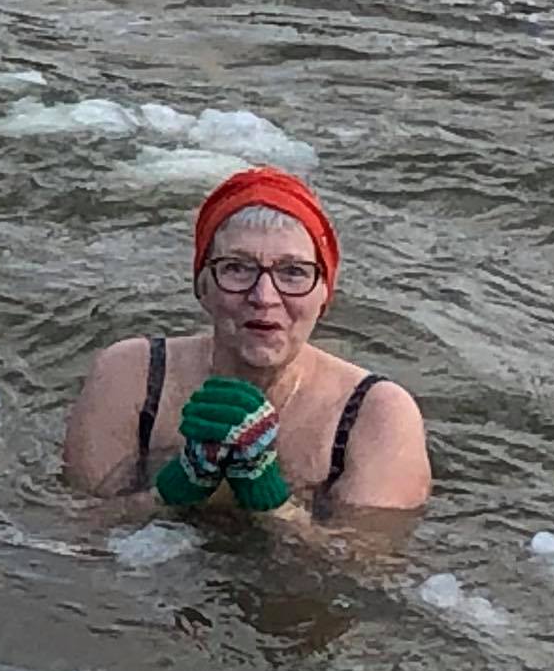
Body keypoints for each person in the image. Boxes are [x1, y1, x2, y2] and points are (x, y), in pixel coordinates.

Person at [61, 168, 431, 520]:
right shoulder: (133, 375)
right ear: (202, 285)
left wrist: (270, 502)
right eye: (237, 267)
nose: (264, 296)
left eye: (293, 272)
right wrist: (170, 491)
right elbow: (76, 530)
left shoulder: (376, 413)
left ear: (324, 295)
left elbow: (368, 568)